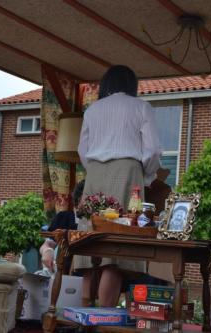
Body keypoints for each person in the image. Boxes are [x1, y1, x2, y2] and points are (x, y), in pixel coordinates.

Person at [77, 65, 162, 306]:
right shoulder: (141, 107)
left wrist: (94, 169)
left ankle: (84, 318)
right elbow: (153, 149)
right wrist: (146, 174)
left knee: (90, 244)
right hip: (127, 171)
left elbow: (82, 150)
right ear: (131, 85)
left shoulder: (92, 110)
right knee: (117, 248)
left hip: (94, 174)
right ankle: (105, 317)